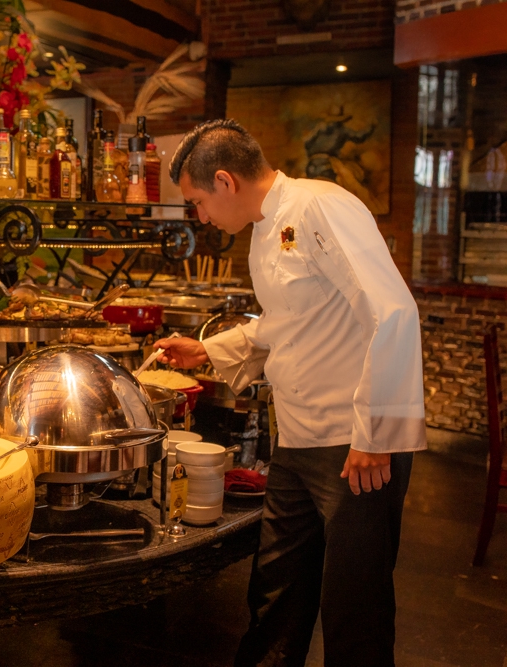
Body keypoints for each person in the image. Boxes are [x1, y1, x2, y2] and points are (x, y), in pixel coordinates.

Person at [156, 119, 425, 667]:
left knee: (355, 605)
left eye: (199, 201)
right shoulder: (263, 230)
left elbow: (393, 311)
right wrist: (207, 350)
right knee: (276, 593)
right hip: (298, 438)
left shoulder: (320, 206)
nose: (200, 216)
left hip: (355, 447)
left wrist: (376, 436)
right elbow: (285, 323)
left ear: (226, 181)